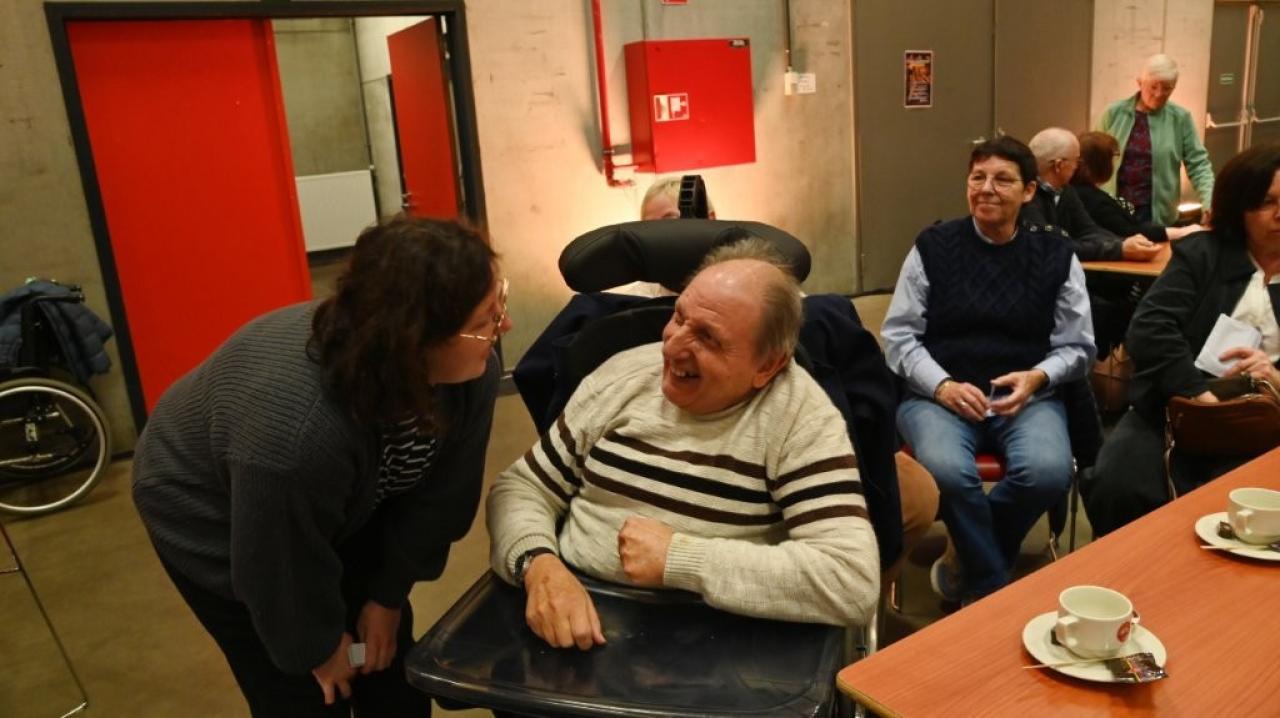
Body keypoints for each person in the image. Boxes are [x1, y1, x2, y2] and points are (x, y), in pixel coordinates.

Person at [133, 217, 508, 716]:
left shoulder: (472, 374)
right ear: (415, 340)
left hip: (335, 502)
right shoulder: (296, 436)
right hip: (211, 510)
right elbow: (275, 566)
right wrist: (316, 648)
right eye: (484, 320)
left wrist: (387, 597)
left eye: (499, 304)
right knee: (304, 691)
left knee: (389, 672)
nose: (502, 327)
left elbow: (442, 501)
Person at [488, 239, 880, 650]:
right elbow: (523, 487)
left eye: (708, 338)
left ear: (768, 365)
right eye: (678, 317)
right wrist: (539, 566)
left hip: (719, 644)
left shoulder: (799, 418)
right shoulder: (622, 375)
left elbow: (850, 580)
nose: (672, 346)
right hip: (583, 620)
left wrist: (680, 559)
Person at [881, 136, 1095, 604]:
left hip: (1025, 396)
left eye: (1002, 179)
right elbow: (898, 337)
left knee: (1047, 472)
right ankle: (990, 587)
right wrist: (942, 385)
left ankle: (969, 554)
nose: (986, 189)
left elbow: (1078, 346)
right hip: (937, 395)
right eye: (977, 177)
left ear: (1029, 191)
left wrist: (1037, 377)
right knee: (947, 472)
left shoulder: (1056, 255)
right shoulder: (933, 247)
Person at [1083, 144, 1280, 536]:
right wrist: (1197, 393)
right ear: (1239, 206)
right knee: (1117, 485)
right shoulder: (1203, 254)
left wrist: (1274, 377)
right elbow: (1150, 329)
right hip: (1173, 406)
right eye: (1266, 203)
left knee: (1239, 504)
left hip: (1267, 415)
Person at [1099, 53, 1215, 226]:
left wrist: (1209, 201)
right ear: (1140, 83)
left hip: (1157, 216)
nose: (1159, 94)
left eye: (1167, 88)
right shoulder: (1113, 113)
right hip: (1113, 209)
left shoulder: (1180, 118)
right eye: (1153, 87)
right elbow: (1092, 157)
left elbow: (1199, 165)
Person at [1023, 127, 1160, 263]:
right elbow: (1053, 246)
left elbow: (1088, 230)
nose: (1077, 166)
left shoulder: (1066, 190)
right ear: (1059, 165)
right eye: (1076, 161)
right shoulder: (1026, 197)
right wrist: (1119, 249)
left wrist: (1126, 242)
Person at [1072, 131, 1205, 243]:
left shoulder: (1078, 192)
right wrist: (1181, 232)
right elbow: (1128, 232)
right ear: (1102, 164)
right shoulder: (1092, 200)